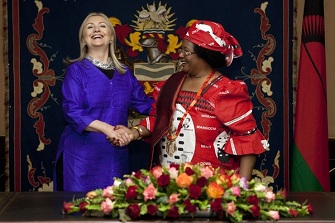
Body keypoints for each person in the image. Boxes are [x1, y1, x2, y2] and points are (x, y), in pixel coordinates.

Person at [112, 20, 269, 181]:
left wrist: (241, 189)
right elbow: (158, 119)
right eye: (181, 49)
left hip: (213, 187)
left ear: (204, 55)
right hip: (170, 184)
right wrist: (133, 133)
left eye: (186, 51)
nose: (180, 55)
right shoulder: (172, 83)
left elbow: (248, 142)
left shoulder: (226, 91)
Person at [54, 12, 153, 191]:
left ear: (111, 37)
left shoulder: (125, 73)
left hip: (115, 156)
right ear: (83, 39)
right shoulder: (76, 70)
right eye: (90, 27)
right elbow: (72, 111)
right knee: (80, 211)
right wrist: (107, 129)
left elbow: (146, 105)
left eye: (102, 25)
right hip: (81, 157)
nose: (96, 29)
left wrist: (175, 100)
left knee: (115, 210)